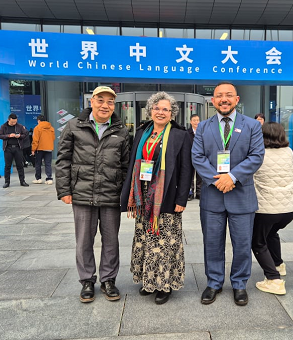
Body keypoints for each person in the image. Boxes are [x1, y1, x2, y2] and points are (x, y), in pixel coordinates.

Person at [192, 81, 265, 306]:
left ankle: (239, 284)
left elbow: (256, 156)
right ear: (213, 101)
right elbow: (197, 157)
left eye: (228, 95)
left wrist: (231, 177)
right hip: (213, 196)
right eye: (219, 96)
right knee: (212, 243)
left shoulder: (252, 125)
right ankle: (213, 282)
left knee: (242, 244)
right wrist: (218, 180)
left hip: (241, 195)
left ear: (236, 99)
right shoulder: (203, 127)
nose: (224, 99)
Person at [56, 86, 130, 303]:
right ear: (92, 102)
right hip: (82, 193)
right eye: (100, 100)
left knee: (111, 241)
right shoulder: (74, 126)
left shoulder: (121, 130)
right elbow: (63, 161)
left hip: (111, 195)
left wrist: (124, 195)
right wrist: (64, 190)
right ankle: (87, 280)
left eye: (109, 102)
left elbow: (125, 166)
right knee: (84, 241)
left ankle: (108, 280)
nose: (105, 105)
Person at [121, 91, 192, 305]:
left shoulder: (181, 135)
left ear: (172, 114)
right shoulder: (143, 132)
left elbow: (186, 170)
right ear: (150, 110)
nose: (160, 112)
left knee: (164, 242)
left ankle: (164, 284)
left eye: (165, 109)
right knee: (146, 239)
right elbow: (133, 162)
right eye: (157, 108)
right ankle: (148, 280)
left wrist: (182, 199)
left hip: (167, 196)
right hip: (143, 197)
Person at [252, 122, 293, 296]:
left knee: (257, 241)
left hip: (267, 209)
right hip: (289, 208)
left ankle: (273, 279)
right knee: (271, 234)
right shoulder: (289, 151)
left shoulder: (259, 153)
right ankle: (278, 264)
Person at [0, 113, 29, 188]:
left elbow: (25, 134)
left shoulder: (20, 126)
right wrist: (8, 136)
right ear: (8, 120)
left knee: (20, 165)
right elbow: (0, 135)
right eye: (12, 122)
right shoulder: (4, 126)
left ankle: (22, 181)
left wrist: (19, 136)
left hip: (18, 148)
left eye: (15, 122)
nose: (14, 123)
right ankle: (7, 182)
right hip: (8, 148)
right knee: (7, 166)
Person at [31, 115, 56, 185]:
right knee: (48, 164)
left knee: (38, 163)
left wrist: (33, 149)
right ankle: (49, 178)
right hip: (49, 148)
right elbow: (53, 138)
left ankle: (38, 178)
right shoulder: (51, 128)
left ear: (38, 120)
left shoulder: (37, 128)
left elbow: (35, 140)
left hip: (40, 148)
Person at [187, 113, 202, 200]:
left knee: (200, 176)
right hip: (190, 157)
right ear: (190, 122)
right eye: (194, 120)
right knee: (190, 176)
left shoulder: (202, 132)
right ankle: (190, 193)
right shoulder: (187, 133)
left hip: (200, 157)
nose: (196, 122)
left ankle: (199, 193)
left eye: (197, 120)